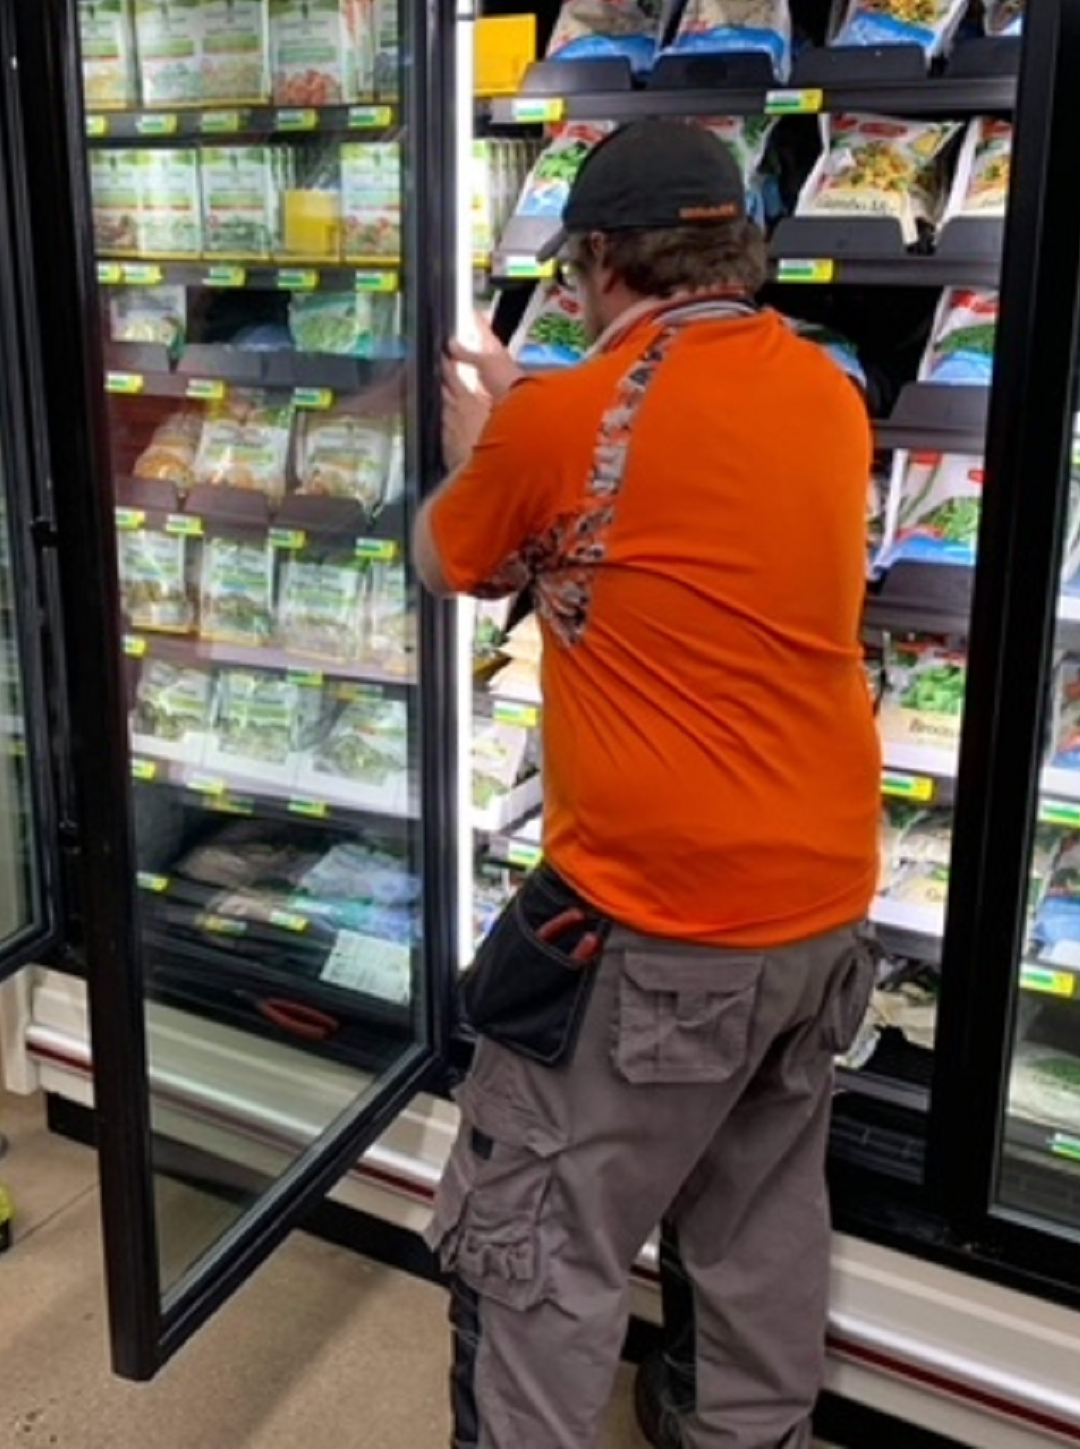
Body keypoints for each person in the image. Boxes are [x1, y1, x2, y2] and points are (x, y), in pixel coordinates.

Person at [414, 119, 881, 1449]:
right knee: (757, 1220)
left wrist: (488, 430)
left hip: (661, 923)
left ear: (602, 260)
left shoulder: (558, 420)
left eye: (572, 274)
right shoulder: (827, 391)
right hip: (825, 908)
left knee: (541, 1246)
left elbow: (459, 561)